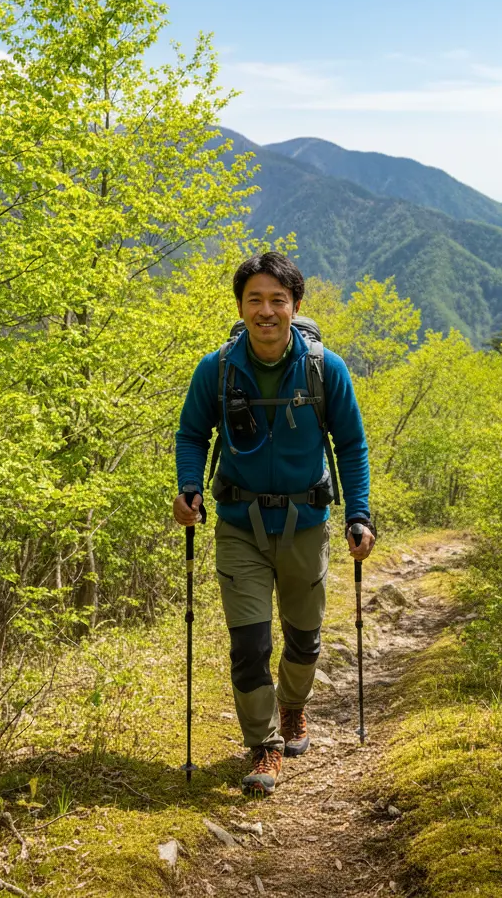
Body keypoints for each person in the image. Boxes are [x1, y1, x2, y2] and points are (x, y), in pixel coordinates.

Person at [173, 251, 375, 797]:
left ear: (295, 306)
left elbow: (351, 444)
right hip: (239, 523)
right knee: (249, 643)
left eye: (277, 301)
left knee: (304, 639)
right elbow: (192, 435)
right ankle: (263, 744)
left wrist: (358, 513)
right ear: (240, 307)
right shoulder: (216, 370)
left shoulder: (324, 369)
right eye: (255, 300)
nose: (266, 311)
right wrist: (188, 487)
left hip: (307, 521)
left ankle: (293, 707)